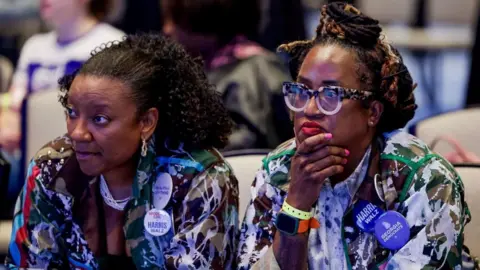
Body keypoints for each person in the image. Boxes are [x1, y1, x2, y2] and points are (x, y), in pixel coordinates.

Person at [237, 3, 475, 269]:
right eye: (302, 91)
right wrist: (296, 204)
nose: (310, 109)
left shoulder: (425, 181)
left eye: (331, 95)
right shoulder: (278, 171)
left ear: (372, 112)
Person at [5, 34, 238, 269]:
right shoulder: (53, 167)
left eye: (100, 119)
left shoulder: (198, 177)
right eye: (72, 113)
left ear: (146, 122)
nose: (77, 133)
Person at [0, 0, 124, 200]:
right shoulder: (34, 46)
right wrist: (7, 121)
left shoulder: (112, 43)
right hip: (29, 156)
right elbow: (14, 106)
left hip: (85, 155)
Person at [161, 0, 293, 151]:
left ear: (206, 21)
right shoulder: (208, 66)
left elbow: (248, 143)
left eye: (176, 21)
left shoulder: (254, 71)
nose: (167, 29)